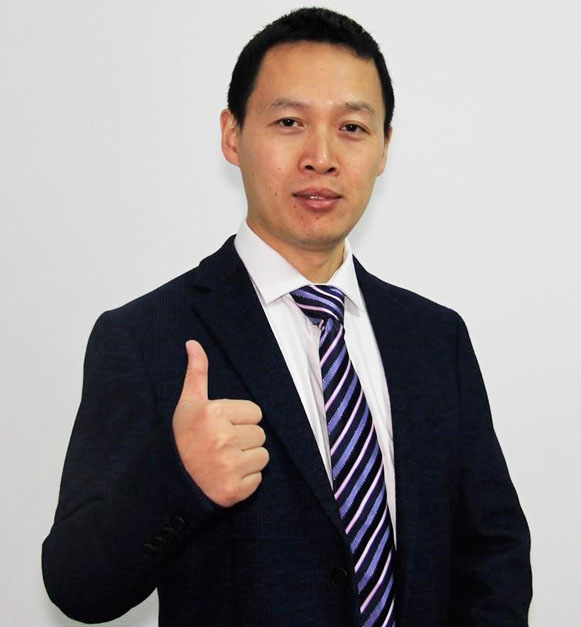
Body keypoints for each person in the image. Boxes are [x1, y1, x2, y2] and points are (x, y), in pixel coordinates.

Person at [42, 7, 532, 626]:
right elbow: (76, 586)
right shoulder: (146, 338)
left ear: (384, 147)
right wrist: (180, 479)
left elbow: (493, 554)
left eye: (352, 127)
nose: (321, 156)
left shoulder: (435, 338)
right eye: (289, 122)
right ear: (232, 135)